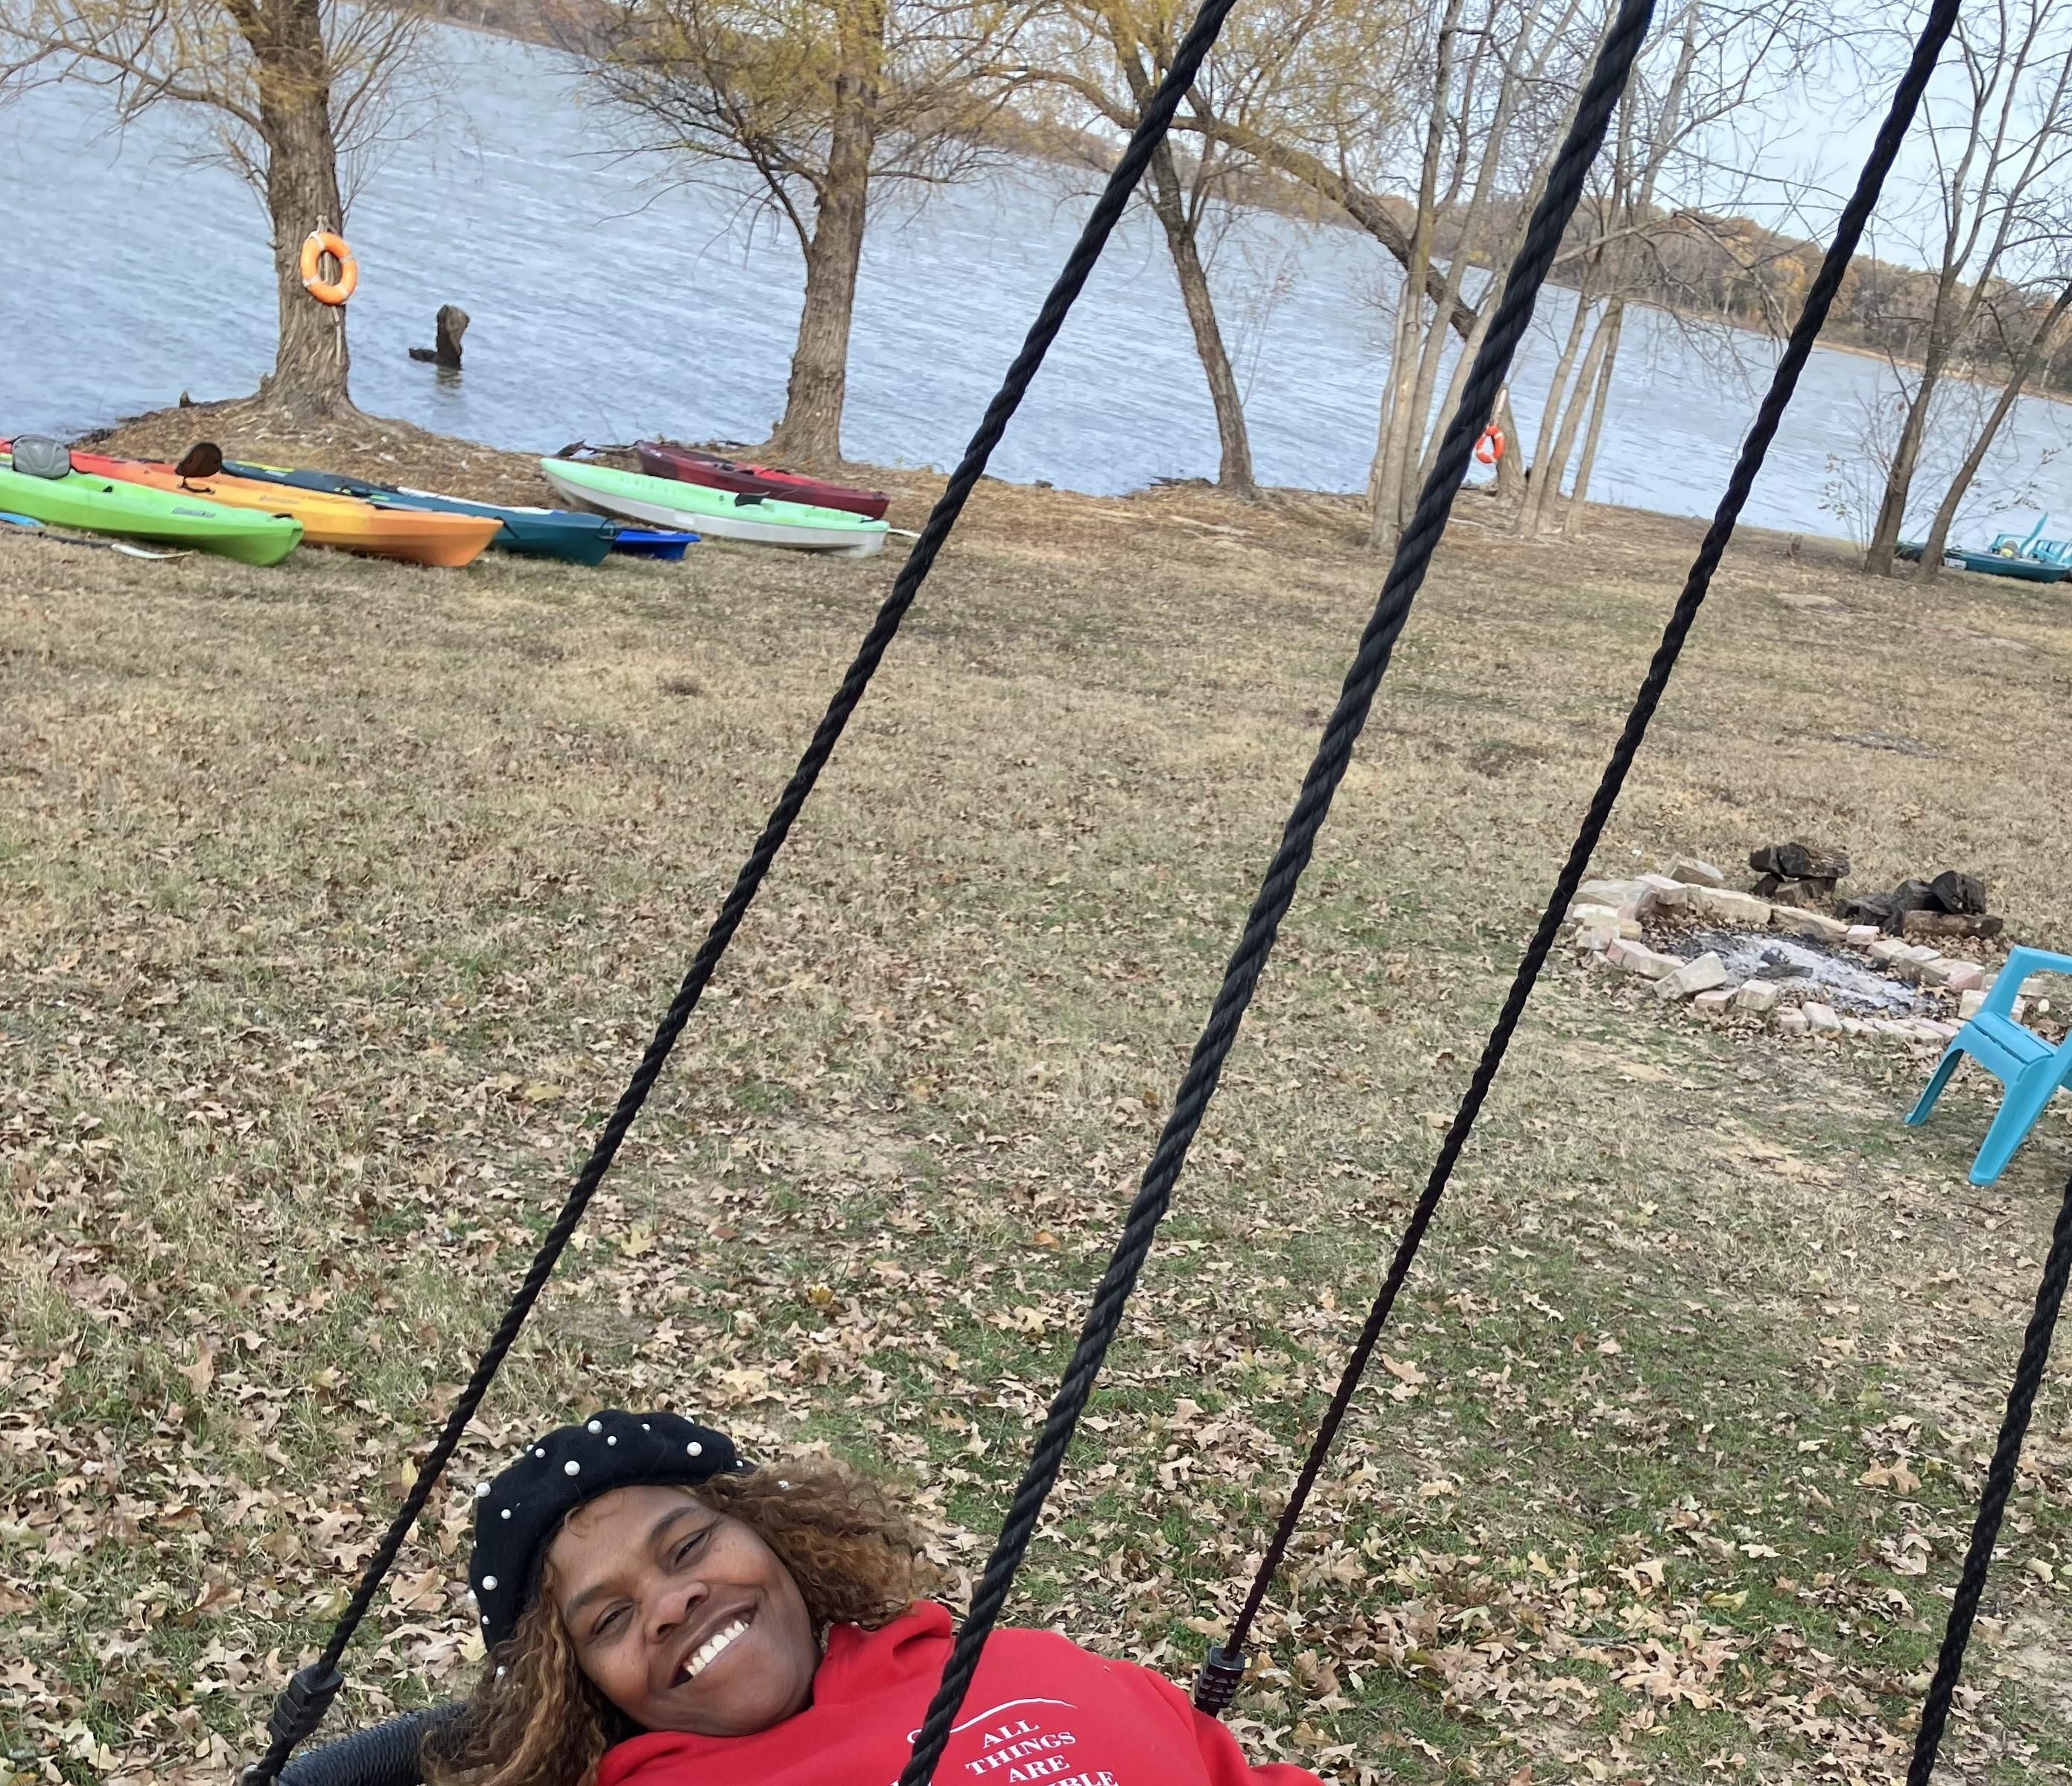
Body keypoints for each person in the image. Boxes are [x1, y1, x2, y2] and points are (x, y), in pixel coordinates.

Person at [428, 1409, 1324, 1786]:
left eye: (690, 1544)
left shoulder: (1031, 1663)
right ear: (573, 1686)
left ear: (776, 1538)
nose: (672, 1603)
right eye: (611, 1619)